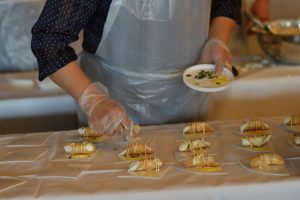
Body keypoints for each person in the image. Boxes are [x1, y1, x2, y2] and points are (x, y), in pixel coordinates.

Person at [31, 0, 241, 137]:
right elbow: (49, 41)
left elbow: (227, 4)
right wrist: (92, 100)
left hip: (188, 100)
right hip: (111, 105)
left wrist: (217, 39)